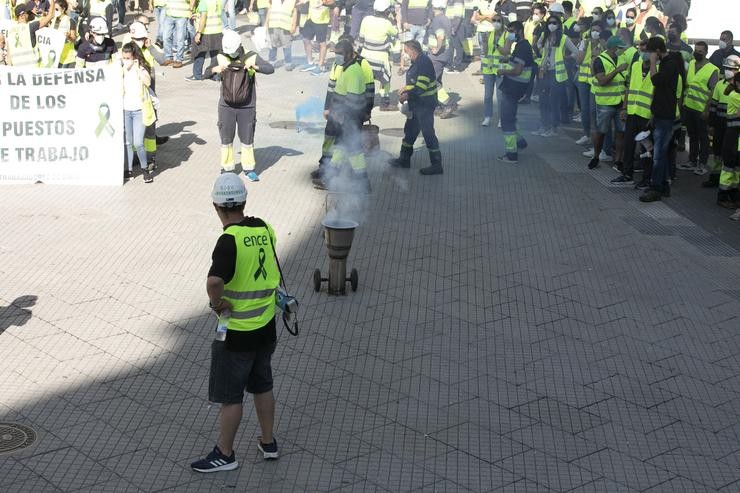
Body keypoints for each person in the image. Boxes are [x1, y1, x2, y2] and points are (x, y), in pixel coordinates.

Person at [191, 172, 280, 473]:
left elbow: (215, 281)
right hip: (266, 326)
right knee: (262, 385)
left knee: (231, 397)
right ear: (243, 201)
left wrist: (217, 304)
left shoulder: (228, 241)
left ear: (217, 206)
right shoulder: (265, 228)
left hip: (237, 333)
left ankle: (225, 454)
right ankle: (268, 443)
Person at [311, 34, 375, 180]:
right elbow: (332, 87)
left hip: (347, 116)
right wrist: (328, 108)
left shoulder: (358, 67)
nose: (337, 57)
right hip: (338, 113)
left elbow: (363, 93)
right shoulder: (340, 65)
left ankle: (338, 176)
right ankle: (327, 170)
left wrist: (367, 111)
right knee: (336, 141)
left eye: (339, 54)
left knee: (349, 146)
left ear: (349, 51)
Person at [213, 30, 274, 177]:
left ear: (239, 45)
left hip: (247, 106)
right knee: (226, 138)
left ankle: (248, 168)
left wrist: (255, 67)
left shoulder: (250, 55)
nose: (231, 54)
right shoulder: (221, 55)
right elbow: (206, 73)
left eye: (233, 51)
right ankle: (227, 168)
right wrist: (215, 70)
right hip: (226, 106)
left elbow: (270, 69)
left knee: (247, 138)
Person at [388, 39, 443, 174]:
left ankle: (436, 165)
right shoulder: (417, 61)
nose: (404, 54)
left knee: (428, 133)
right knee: (410, 131)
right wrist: (406, 89)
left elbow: (422, 86)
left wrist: (407, 95)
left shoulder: (423, 63)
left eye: (405, 51)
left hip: (424, 105)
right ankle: (404, 159)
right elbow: (415, 83)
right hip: (417, 104)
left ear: (412, 51)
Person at [640, 36, 682, 202]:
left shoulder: (670, 64)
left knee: (658, 155)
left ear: (657, 51)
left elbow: (655, 80)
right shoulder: (666, 63)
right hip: (659, 113)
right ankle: (663, 185)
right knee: (660, 153)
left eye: (651, 53)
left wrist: (652, 63)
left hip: (666, 116)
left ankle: (656, 188)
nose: (650, 55)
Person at [532, 14, 579, 137]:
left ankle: (554, 128)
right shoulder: (544, 36)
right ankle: (544, 126)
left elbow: (576, 52)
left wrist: (567, 57)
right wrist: (542, 52)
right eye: (550, 23)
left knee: (553, 101)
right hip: (544, 71)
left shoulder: (563, 38)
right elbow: (538, 46)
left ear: (558, 25)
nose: (552, 25)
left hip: (556, 73)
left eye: (554, 23)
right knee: (543, 100)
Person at [612, 39, 650, 185]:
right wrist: (624, 108)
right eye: (641, 49)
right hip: (632, 112)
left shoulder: (656, 70)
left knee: (646, 147)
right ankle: (627, 174)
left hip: (646, 115)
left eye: (646, 50)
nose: (642, 52)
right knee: (629, 144)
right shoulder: (635, 66)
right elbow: (629, 87)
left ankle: (647, 178)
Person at [677, 41, 718, 174]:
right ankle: (692, 161)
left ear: (706, 52)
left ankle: (703, 164)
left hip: (701, 109)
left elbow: (712, 92)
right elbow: (686, 85)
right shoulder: (692, 64)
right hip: (689, 106)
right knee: (693, 135)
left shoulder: (712, 69)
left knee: (703, 137)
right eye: (696, 50)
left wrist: (707, 110)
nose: (697, 53)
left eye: (700, 51)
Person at [587, 35, 627, 170]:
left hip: (621, 103)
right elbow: (602, 81)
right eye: (620, 48)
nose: (622, 51)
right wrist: (617, 70)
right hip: (605, 103)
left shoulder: (622, 59)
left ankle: (618, 161)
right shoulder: (600, 60)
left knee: (621, 132)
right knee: (601, 131)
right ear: (614, 48)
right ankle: (596, 156)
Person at [496, 20, 533, 163]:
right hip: (514, 88)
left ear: (519, 31)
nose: (509, 35)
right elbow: (517, 64)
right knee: (510, 117)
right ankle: (520, 142)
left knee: (506, 121)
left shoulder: (523, 47)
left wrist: (502, 71)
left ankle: (511, 154)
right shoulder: (521, 46)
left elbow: (517, 71)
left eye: (511, 32)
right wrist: (507, 59)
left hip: (513, 88)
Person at [121, 42, 156, 182]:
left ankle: (144, 168)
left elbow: (147, 82)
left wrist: (138, 69)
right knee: (128, 142)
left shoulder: (140, 69)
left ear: (134, 56)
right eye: (124, 57)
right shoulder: (122, 69)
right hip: (126, 109)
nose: (125, 60)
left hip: (139, 110)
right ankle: (128, 169)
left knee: (138, 142)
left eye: (128, 57)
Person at [706, 55, 739, 190]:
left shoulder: (737, 88)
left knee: (730, 156)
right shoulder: (720, 85)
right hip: (720, 125)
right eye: (726, 68)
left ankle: (729, 184)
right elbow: (713, 106)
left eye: (731, 68)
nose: (728, 71)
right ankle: (714, 178)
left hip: (733, 129)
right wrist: (711, 124)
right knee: (717, 152)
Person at [358, 0, 398, 110]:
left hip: (365, 58)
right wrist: (394, 18)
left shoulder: (366, 20)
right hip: (381, 61)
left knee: (366, 81)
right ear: (386, 11)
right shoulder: (387, 23)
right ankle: (385, 103)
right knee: (385, 81)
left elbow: (361, 40)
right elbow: (395, 32)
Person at [0, 1, 55, 66]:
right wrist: (52, 1)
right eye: (27, 13)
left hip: (18, 70)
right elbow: (50, 15)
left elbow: (9, 54)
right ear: (22, 16)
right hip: (31, 69)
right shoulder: (29, 27)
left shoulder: (10, 31)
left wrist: (11, 70)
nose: (29, 15)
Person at [428, 0, 455, 118]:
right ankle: (437, 106)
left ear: (434, 7)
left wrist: (436, 49)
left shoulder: (437, 20)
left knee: (431, 82)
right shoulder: (445, 18)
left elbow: (440, 36)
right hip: (444, 55)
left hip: (437, 57)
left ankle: (448, 104)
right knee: (437, 80)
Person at [718, 71, 740, 209]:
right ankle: (723, 196)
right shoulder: (735, 95)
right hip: (732, 137)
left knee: (736, 168)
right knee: (729, 168)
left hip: (736, 138)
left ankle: (733, 195)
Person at [188, 0, 224, 81]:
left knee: (199, 53)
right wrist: (198, 15)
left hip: (206, 31)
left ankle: (197, 75)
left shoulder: (204, 2)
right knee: (215, 54)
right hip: (217, 30)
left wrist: (199, 32)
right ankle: (215, 75)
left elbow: (204, 18)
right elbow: (212, 13)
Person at [480, 13, 505, 126]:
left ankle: (501, 118)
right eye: (494, 20)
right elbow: (485, 52)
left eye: (498, 20)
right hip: (489, 69)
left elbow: (507, 51)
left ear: (502, 22)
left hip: (500, 69)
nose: (496, 22)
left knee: (500, 96)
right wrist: (484, 42)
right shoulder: (489, 34)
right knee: (488, 95)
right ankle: (487, 117)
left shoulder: (507, 35)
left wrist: (497, 44)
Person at [299, 0, 333, 74]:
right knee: (305, 39)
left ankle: (320, 66)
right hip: (311, 18)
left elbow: (332, 2)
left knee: (322, 43)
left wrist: (323, 3)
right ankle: (310, 63)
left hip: (321, 20)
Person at [398, 0, 430, 76]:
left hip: (422, 25)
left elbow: (431, 7)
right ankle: (403, 67)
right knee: (407, 48)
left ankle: (416, 68)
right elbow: (404, 7)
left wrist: (429, 18)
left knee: (418, 49)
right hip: (410, 25)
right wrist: (404, 21)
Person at [266, 0, 298, 70]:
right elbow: (270, 9)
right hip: (273, 25)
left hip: (285, 26)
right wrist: (266, 23)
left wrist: (294, 25)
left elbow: (294, 12)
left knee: (287, 46)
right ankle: (271, 62)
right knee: (272, 45)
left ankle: (288, 63)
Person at [162, 0, 191, 68]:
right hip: (169, 15)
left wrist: (191, 10)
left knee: (180, 39)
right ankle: (168, 58)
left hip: (182, 16)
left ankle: (179, 60)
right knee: (165, 37)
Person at [49, 0, 77, 68]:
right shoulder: (53, 20)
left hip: (67, 57)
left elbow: (74, 39)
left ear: (63, 9)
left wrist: (68, 36)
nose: (55, 11)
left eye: (56, 9)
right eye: (54, 9)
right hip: (55, 55)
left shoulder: (70, 21)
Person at [471, 0, 496, 76]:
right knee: (483, 52)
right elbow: (476, 17)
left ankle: (490, 69)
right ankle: (483, 69)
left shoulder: (495, 2)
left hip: (492, 31)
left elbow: (495, 19)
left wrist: (483, 17)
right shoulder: (480, 2)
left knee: (491, 51)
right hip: (482, 30)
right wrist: (487, 16)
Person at [444, 0, 464, 72]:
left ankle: (457, 66)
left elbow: (458, 16)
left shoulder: (458, 1)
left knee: (458, 46)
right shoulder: (450, 1)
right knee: (450, 47)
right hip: (449, 26)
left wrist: (454, 28)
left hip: (456, 27)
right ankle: (449, 64)